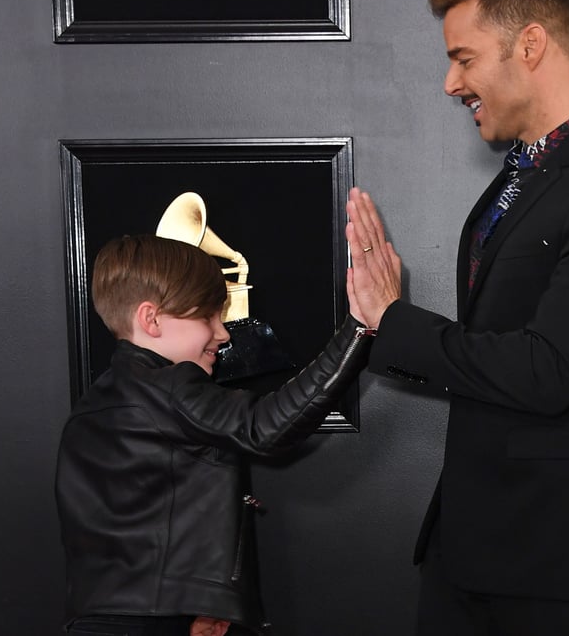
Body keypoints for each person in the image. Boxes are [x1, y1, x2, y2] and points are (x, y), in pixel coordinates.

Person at [346, 0, 569, 636]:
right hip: (478, 548)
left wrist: (398, 322)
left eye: (464, 58)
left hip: (557, 561)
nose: (449, 82)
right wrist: (383, 325)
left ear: (530, 44)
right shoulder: (529, 171)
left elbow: (548, 369)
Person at [54, 233, 399, 636]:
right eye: (209, 317)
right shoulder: (168, 387)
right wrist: (360, 329)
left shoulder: (92, 407)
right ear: (151, 319)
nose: (224, 334)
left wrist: (202, 607)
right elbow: (265, 427)